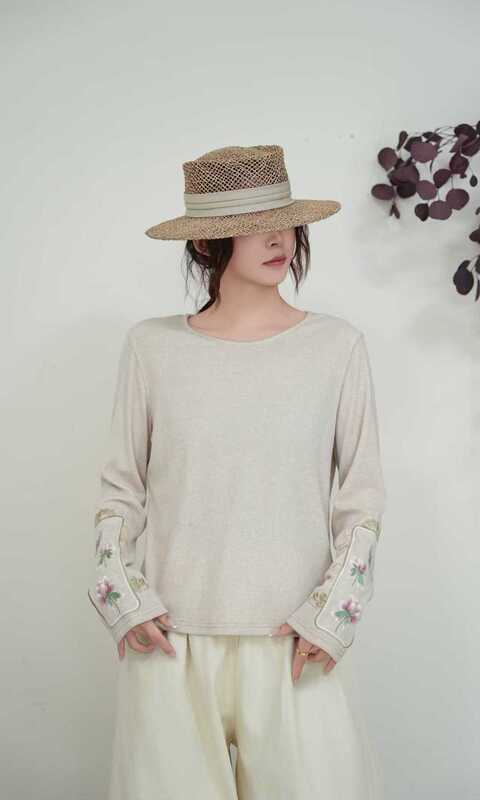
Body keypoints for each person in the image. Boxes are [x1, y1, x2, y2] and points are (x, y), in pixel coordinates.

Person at [87, 144, 387, 799]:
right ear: (205, 244)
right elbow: (120, 490)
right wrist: (124, 602)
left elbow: (361, 500)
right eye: (253, 227)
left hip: (294, 640)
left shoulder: (336, 347)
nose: (279, 239)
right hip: (170, 640)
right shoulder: (152, 347)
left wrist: (332, 616)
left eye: (284, 223)